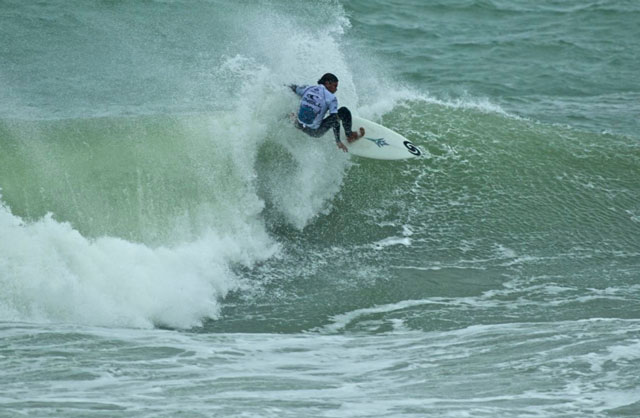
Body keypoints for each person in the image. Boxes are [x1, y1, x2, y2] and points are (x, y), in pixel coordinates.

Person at [289, 73, 365, 152]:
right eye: (335, 86)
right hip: (314, 132)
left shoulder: (308, 88)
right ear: (327, 83)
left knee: (301, 100)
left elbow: (293, 88)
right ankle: (350, 135)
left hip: (298, 124)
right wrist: (338, 141)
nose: (336, 89)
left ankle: (294, 119)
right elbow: (334, 120)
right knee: (343, 111)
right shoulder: (331, 98)